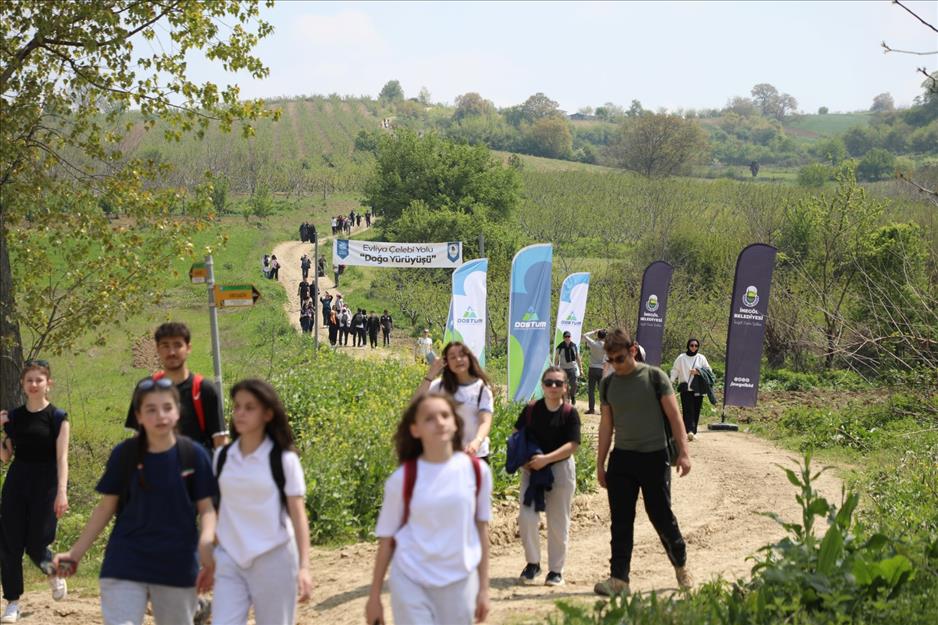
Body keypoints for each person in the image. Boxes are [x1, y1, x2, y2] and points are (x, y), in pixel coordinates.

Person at [54, 377, 217, 625]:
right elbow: (106, 507)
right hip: (125, 560)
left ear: (178, 412)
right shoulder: (125, 454)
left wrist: (206, 543)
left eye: (167, 407)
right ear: (139, 416)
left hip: (178, 562)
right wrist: (75, 554)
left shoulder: (194, 455)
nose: (160, 415)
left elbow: (206, 509)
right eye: (150, 410)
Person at [365, 393, 491, 625]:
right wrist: (374, 597)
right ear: (415, 430)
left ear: (455, 423)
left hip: (460, 581)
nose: (440, 422)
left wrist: (484, 588)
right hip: (411, 579)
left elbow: (481, 531)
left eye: (445, 415)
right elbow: (386, 540)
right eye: (429, 418)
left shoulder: (477, 472)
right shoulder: (402, 479)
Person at [594, 329, 692, 597]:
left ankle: (681, 566)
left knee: (660, 516)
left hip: (654, 457)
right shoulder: (608, 384)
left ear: (633, 351)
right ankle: (619, 580)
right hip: (622, 459)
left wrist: (684, 452)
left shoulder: (654, 377)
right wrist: (600, 463)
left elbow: (675, 417)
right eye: (611, 359)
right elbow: (606, 425)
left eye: (620, 358)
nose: (616, 364)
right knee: (621, 521)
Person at [208, 380, 312, 625]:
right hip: (230, 559)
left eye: (249, 407)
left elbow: (298, 515)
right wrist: (210, 553)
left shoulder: (285, 460)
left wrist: (304, 566)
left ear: (268, 414)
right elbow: (217, 509)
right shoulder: (222, 457)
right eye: (237, 407)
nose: (240, 413)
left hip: (274, 558)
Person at [0, 360, 70, 623]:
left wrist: (62, 492)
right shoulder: (14, 417)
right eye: (29, 380)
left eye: (38, 380)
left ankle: (55, 571)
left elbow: (62, 458)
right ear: (23, 383)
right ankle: (12, 603)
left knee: (36, 545)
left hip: (47, 484)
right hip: (17, 482)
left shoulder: (57, 417)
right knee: (9, 545)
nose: (33, 384)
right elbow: (6, 457)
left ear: (47, 383)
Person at [515, 367, 581, 587]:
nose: (553, 387)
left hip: (561, 469)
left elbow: (573, 445)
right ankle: (533, 563)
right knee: (526, 517)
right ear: (542, 386)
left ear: (565, 387)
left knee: (558, 521)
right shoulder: (532, 409)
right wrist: (523, 459)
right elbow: (518, 435)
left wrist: (547, 459)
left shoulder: (570, 413)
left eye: (558, 383)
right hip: (532, 470)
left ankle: (556, 570)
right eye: (549, 382)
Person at [123, 322, 228, 452]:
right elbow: (139, 436)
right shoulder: (145, 388)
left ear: (188, 348)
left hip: (197, 468)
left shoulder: (204, 389)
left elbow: (220, 441)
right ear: (157, 349)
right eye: (165, 346)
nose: (171, 352)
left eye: (177, 345)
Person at [415, 342, 494, 462]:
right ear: (446, 362)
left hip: (476, 455)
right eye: (452, 357)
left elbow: (485, 420)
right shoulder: (440, 386)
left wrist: (476, 442)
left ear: (469, 358)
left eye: (462, 355)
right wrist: (432, 373)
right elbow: (415, 404)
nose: (458, 359)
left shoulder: (482, 388)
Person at [669, 339, 710, 441]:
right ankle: (689, 431)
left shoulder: (701, 358)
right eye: (692, 345)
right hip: (685, 387)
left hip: (698, 388)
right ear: (688, 346)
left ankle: (692, 431)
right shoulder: (681, 358)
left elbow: (709, 370)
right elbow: (675, 370)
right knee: (688, 410)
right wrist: (670, 382)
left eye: (696, 346)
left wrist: (698, 371)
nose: (694, 347)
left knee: (696, 410)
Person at [553, 331, 583, 404]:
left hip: (572, 368)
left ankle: (572, 395)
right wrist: (555, 369)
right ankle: (566, 400)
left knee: (574, 384)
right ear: (563, 338)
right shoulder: (560, 347)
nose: (567, 338)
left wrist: (581, 369)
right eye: (566, 337)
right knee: (564, 385)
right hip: (563, 369)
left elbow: (578, 358)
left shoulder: (574, 346)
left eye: (568, 337)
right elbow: (556, 359)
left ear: (570, 337)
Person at [583, 329, 608, 414]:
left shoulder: (593, 344)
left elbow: (584, 335)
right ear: (605, 337)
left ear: (597, 336)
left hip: (592, 368)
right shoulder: (606, 346)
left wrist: (594, 331)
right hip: (602, 369)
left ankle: (591, 409)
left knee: (591, 390)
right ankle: (603, 409)